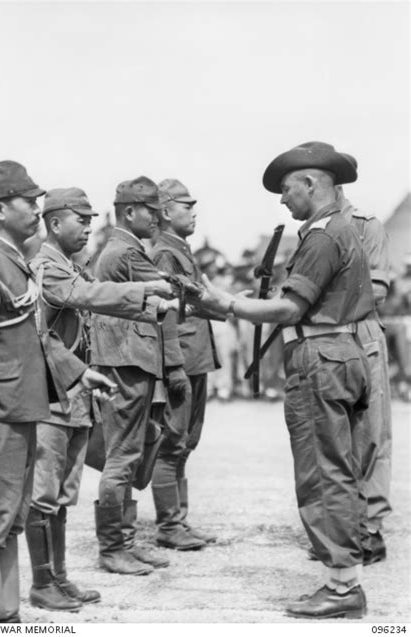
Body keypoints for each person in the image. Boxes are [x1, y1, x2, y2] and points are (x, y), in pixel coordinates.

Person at [193, 142, 374, 619]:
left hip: (319, 356)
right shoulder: (343, 229)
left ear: (312, 184)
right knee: (342, 467)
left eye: (287, 189)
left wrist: (225, 303)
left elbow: (290, 309)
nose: (282, 200)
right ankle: (345, 574)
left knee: (321, 472)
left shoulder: (320, 236)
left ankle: (341, 587)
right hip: (345, 352)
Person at [0, 161, 115, 623]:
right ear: (0, 209)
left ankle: (7, 618)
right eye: (29, 201)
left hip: (17, 414)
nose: (38, 209)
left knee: (10, 522)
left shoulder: (13, 262)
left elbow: (36, 337)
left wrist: (78, 373)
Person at [25, 187, 177, 610]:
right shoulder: (45, 268)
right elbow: (89, 298)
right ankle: (42, 583)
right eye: (81, 220)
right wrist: (148, 295)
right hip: (50, 397)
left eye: (91, 219)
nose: (90, 227)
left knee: (61, 495)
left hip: (73, 395)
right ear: (55, 224)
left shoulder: (68, 265)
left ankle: (59, 578)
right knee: (44, 494)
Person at [91, 176, 184, 575]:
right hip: (125, 362)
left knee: (132, 454)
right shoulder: (125, 252)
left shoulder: (124, 249)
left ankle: (124, 542)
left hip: (132, 358)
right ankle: (112, 548)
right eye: (152, 209)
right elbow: (168, 288)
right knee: (122, 456)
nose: (159, 217)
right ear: (130, 212)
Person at [149, 178, 220, 550]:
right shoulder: (164, 253)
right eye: (186, 206)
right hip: (182, 359)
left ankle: (179, 520)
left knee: (186, 442)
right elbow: (166, 315)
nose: (193, 212)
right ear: (165, 212)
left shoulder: (179, 250)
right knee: (172, 442)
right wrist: (173, 365)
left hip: (195, 357)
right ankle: (169, 525)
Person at [337, 177, 392, 563]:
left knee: (371, 434)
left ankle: (371, 529)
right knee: (335, 439)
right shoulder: (312, 230)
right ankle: (342, 528)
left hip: (362, 334)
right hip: (325, 342)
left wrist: (321, 300)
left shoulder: (364, 224)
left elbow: (379, 289)